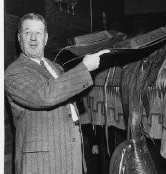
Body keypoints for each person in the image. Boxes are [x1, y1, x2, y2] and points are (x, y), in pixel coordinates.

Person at [4, 13, 110, 174]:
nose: (33, 38)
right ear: (19, 38)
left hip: (70, 156)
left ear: (45, 38)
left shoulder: (56, 67)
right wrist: (84, 68)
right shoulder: (14, 72)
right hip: (41, 164)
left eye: (38, 32)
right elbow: (44, 95)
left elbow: (67, 99)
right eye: (27, 32)